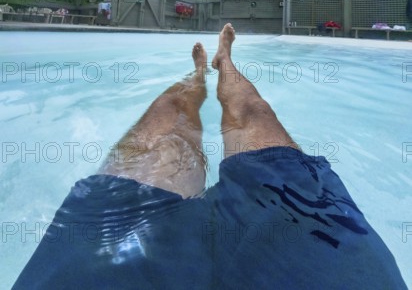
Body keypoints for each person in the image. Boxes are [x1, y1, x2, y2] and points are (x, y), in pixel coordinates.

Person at [13, 24, 406, 289]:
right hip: (319, 247)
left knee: (249, 111)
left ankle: (223, 64)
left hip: (106, 258)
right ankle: (199, 77)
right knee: (183, 108)